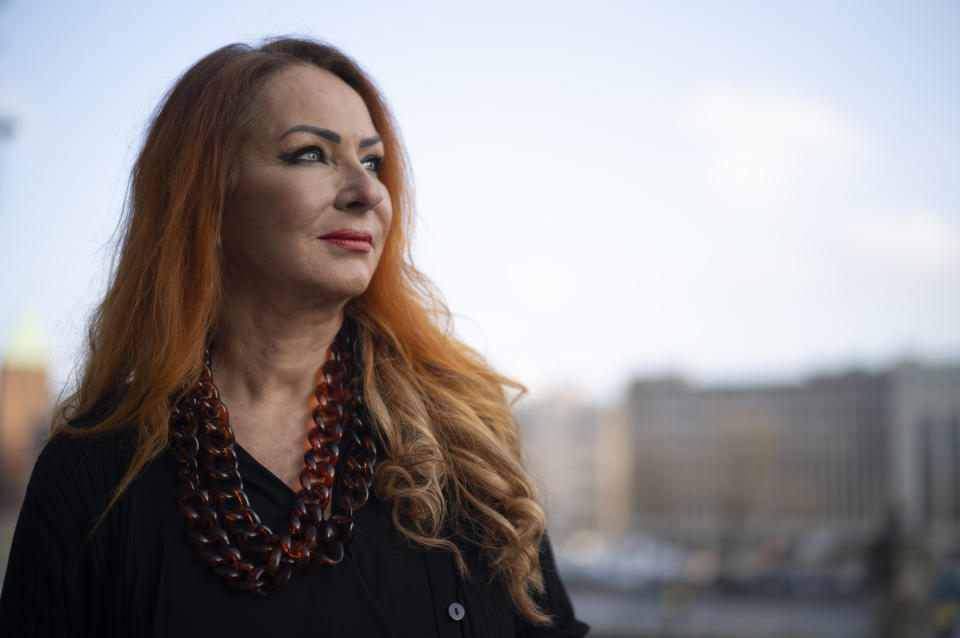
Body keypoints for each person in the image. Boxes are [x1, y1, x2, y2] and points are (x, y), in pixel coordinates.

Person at [0, 37, 588, 637]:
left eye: (374, 161)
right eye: (311, 154)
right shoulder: (92, 475)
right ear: (206, 198)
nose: (368, 192)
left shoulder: (465, 435)